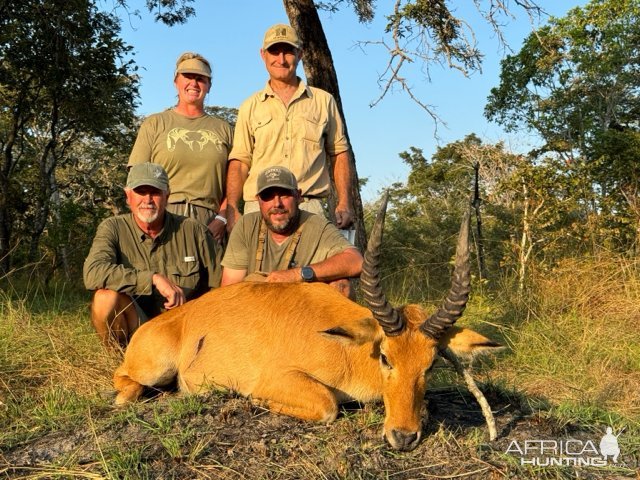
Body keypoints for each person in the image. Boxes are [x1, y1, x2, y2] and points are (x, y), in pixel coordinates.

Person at [226, 23, 354, 232]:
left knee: (312, 266)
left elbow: (339, 152)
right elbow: (240, 162)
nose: (281, 59)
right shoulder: (250, 106)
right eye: (274, 51)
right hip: (260, 208)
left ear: (300, 54)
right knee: (258, 266)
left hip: (309, 207)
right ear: (263, 55)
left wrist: (345, 203)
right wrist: (231, 209)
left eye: (288, 51)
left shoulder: (323, 101)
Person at [83, 163, 217, 347]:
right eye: (141, 192)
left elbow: (222, 285)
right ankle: (119, 357)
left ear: (167, 196)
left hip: (185, 330)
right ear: (128, 196)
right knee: (104, 298)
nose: (148, 200)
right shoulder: (113, 228)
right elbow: (93, 273)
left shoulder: (194, 231)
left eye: (155, 192)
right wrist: (153, 279)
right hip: (139, 329)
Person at [128, 52, 232, 283]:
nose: (194, 83)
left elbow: (234, 182)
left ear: (209, 85)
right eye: (188, 76)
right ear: (176, 81)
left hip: (210, 217)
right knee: (164, 284)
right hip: (165, 215)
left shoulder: (224, 128)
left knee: (209, 289)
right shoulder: (155, 124)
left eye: (201, 78)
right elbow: (136, 180)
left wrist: (222, 219)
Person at [221, 166, 362, 297]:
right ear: (258, 200)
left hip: (301, 309)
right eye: (268, 196)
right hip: (257, 308)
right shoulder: (245, 226)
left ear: (298, 196)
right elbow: (229, 288)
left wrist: (298, 274)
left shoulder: (317, 225)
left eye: (285, 194)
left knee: (341, 285)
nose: (277, 204)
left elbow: (356, 261)